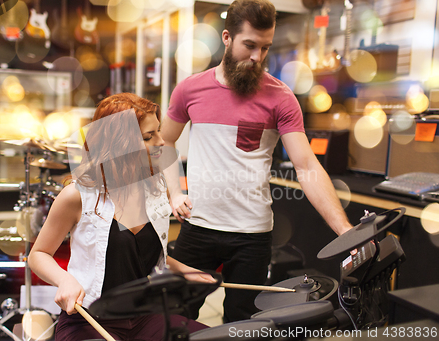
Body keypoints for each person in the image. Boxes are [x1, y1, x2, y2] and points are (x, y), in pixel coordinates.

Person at [161, 0, 353, 323]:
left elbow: (307, 167)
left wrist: (345, 231)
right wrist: (174, 193)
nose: (257, 57)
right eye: (249, 45)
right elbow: (164, 141)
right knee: (176, 319)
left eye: (265, 48)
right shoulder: (190, 89)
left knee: (242, 324)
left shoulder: (281, 98)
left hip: (252, 236)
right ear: (226, 38)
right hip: (198, 227)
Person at [28, 93, 214, 341]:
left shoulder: (156, 188)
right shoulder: (77, 196)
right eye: (150, 136)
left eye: (158, 132)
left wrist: (184, 270)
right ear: (121, 144)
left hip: (147, 314)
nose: (162, 141)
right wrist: (65, 280)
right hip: (90, 318)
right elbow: (38, 255)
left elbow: (144, 257)